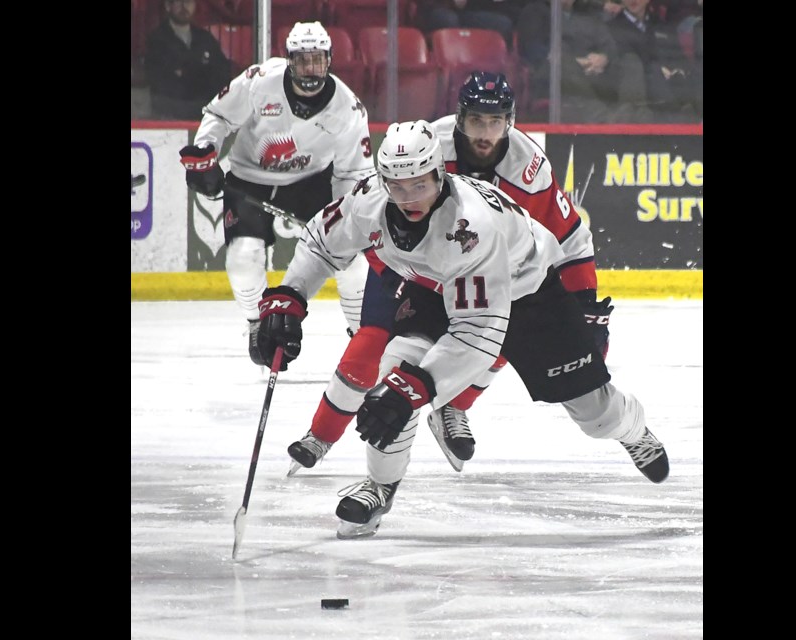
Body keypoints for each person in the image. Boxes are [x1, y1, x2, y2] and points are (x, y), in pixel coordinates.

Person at [255, 120, 669, 538]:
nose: (407, 198)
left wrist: (419, 387)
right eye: (396, 186)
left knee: (595, 415)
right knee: (395, 370)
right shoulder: (369, 199)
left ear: (439, 174)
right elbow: (319, 242)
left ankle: (633, 429)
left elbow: (479, 334)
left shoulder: (469, 227)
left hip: (529, 291)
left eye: (418, 184)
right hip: (437, 287)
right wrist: (290, 295)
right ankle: (380, 486)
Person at [284, 72, 610, 476]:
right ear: (459, 118)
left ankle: (454, 406)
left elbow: (570, 236)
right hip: (410, 268)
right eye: (476, 120)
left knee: (495, 333)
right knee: (371, 345)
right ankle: (321, 435)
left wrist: (583, 301)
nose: (486, 133)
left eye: (496, 122)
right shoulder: (426, 143)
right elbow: (373, 207)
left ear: (510, 121)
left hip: (475, 267)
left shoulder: (529, 166)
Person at [179, 21, 374, 363]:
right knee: (242, 257)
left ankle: (366, 335)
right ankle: (258, 324)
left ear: (329, 60)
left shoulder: (348, 108)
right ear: (288, 60)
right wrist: (206, 150)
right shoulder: (260, 81)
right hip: (248, 178)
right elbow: (218, 114)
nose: (310, 68)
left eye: (317, 60)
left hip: (310, 182)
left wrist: (347, 222)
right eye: (302, 60)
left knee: (353, 262)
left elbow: (352, 174)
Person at [517, 0, 625, 122]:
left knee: (630, 62)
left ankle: (634, 112)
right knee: (562, 63)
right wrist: (577, 62)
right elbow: (534, 52)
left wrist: (604, 58)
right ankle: (602, 117)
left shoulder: (588, 15)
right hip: (551, 77)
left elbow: (609, 47)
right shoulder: (535, 11)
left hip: (593, 73)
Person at [145, 0, 233, 120]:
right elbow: (161, 81)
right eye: (178, 2)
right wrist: (199, 72)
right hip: (170, 114)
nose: (184, 6)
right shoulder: (157, 40)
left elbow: (221, 74)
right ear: (168, 5)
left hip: (205, 111)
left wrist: (185, 72)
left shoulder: (205, 38)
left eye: (189, 2)